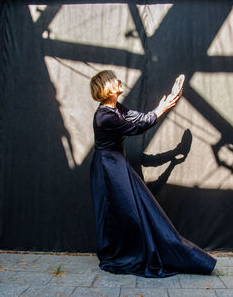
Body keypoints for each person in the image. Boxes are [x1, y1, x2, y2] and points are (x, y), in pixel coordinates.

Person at [89, 70, 216, 278]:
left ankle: (139, 250)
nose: (119, 81)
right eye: (114, 79)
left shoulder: (116, 109)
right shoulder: (104, 116)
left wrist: (164, 105)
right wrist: (162, 108)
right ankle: (118, 254)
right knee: (117, 211)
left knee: (135, 208)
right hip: (107, 167)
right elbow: (135, 127)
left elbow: (140, 118)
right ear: (106, 87)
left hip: (117, 164)